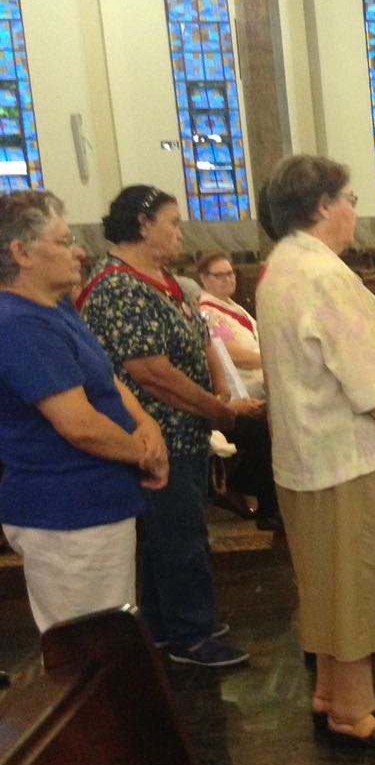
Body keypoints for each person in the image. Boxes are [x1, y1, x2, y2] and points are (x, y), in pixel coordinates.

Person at [257, 154, 375, 750]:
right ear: (322, 206)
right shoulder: (324, 276)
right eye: (351, 199)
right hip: (351, 457)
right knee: (360, 581)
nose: (355, 210)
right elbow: (373, 383)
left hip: (309, 455)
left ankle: (331, 689)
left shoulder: (282, 266)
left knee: (325, 580)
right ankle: (354, 710)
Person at [80, 185, 256, 668]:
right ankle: (192, 635)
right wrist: (216, 410)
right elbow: (150, 372)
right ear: (143, 224)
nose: (181, 231)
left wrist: (217, 398)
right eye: (172, 222)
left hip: (184, 427)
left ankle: (164, 625)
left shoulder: (162, 280)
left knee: (175, 530)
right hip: (156, 431)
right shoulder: (118, 285)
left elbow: (200, 342)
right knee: (179, 535)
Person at [0, 190, 168, 632]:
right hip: (66, 513)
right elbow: (79, 425)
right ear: (21, 253)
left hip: (97, 503)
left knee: (112, 637)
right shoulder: (18, 324)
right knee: (88, 646)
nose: (79, 251)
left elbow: (105, 379)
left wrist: (145, 422)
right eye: (64, 241)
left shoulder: (54, 307)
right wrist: (143, 453)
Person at [196, 251, 280, 530]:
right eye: (219, 275)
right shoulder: (208, 312)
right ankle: (266, 504)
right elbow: (232, 353)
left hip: (258, 383)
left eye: (230, 273)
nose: (227, 279)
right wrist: (273, 359)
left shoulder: (233, 307)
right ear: (204, 279)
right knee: (264, 430)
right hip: (237, 391)